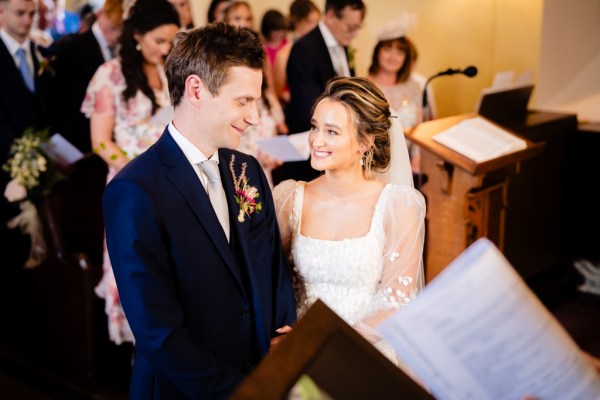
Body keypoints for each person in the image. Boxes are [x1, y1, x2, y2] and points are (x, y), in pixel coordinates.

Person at [102, 22, 296, 399]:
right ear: (196, 90)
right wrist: (240, 393)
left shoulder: (248, 169)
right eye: (242, 101)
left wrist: (281, 348)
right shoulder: (134, 191)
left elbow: (273, 269)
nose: (254, 116)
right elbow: (159, 331)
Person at [274, 76, 425, 363]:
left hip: (365, 351)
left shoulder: (397, 205)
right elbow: (266, 274)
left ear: (365, 143)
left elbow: (396, 303)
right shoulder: (290, 198)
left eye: (332, 132)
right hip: (299, 348)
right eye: (315, 127)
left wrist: (322, 342)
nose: (316, 141)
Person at [81, 0, 180, 345]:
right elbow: (100, 142)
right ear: (137, 35)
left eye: (172, 41)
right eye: (159, 41)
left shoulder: (172, 72)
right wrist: (138, 172)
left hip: (171, 183)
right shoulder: (110, 75)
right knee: (138, 270)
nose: (166, 49)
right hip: (132, 185)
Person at [280, 0, 365, 183]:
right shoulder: (304, 49)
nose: (355, 34)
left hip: (341, 148)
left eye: (358, 28)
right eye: (350, 27)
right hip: (312, 155)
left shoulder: (343, 43)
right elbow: (309, 108)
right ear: (331, 16)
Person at [0, 0, 53, 269]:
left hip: (45, 173)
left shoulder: (41, 53)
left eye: (31, 14)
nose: (27, 20)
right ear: (1, 11)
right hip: (5, 173)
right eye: (20, 13)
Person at [50, 0, 124, 153]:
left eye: (121, 29)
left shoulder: (121, 48)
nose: (117, 35)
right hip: (84, 138)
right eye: (114, 28)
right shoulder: (75, 48)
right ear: (101, 16)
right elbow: (72, 100)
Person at [368, 15, 436, 177]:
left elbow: (420, 128)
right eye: (387, 49)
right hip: (373, 164)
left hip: (408, 163)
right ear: (378, 52)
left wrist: (417, 158)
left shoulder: (415, 86)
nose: (392, 57)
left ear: (406, 58)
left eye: (400, 52)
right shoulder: (365, 85)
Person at [272, 0, 320, 105]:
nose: (316, 27)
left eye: (318, 22)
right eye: (310, 22)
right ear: (297, 22)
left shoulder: (319, 50)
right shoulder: (284, 53)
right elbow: (278, 91)